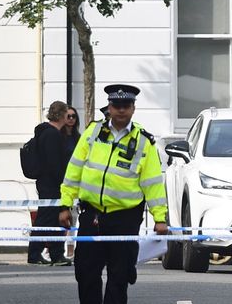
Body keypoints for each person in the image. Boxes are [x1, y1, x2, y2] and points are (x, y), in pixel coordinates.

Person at [59, 84, 168, 304]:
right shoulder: (93, 132)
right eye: (116, 105)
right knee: (86, 272)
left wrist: (160, 218)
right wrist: (65, 204)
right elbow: (74, 169)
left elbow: (153, 183)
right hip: (92, 214)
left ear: (133, 108)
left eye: (125, 105)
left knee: (120, 276)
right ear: (109, 107)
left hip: (125, 218)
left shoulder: (144, 142)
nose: (120, 110)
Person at [27, 100, 73, 266]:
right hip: (52, 183)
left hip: (46, 182)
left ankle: (56, 253)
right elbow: (55, 163)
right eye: (67, 114)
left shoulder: (46, 133)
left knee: (53, 219)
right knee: (46, 218)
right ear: (61, 114)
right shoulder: (52, 135)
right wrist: (63, 181)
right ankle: (35, 253)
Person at [61, 106, 81, 259]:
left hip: (75, 181)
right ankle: (52, 247)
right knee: (57, 215)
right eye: (68, 116)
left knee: (73, 217)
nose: (71, 119)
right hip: (60, 180)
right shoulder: (57, 137)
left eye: (73, 116)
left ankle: (70, 249)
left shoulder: (79, 138)